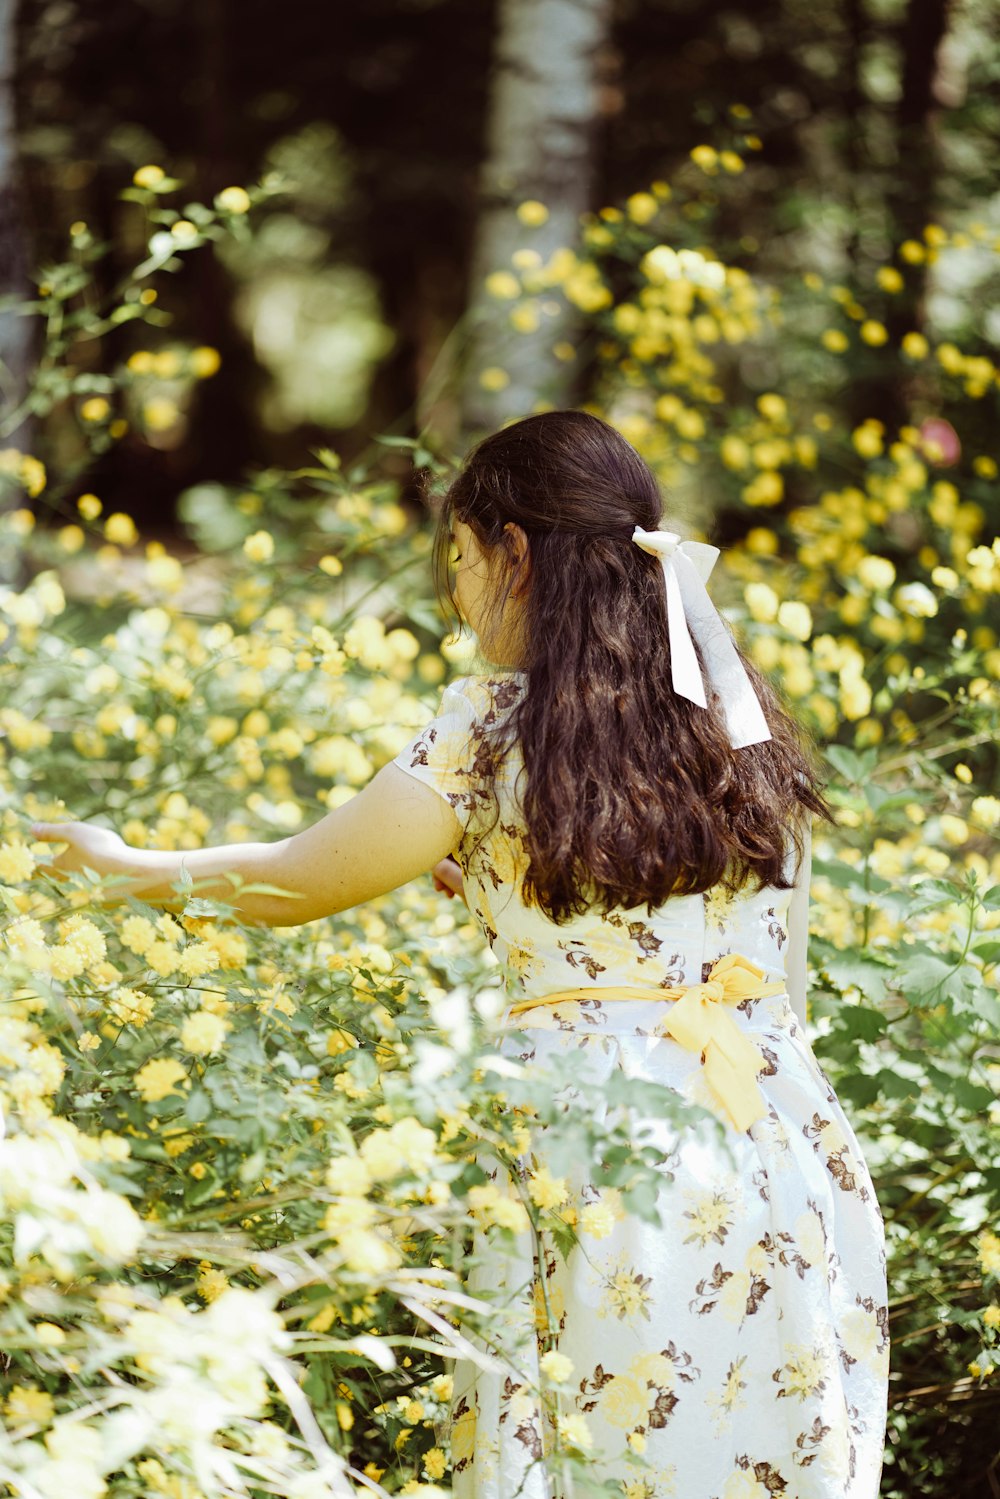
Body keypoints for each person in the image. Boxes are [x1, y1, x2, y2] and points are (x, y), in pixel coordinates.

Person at [31, 409, 890, 1498]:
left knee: (593, 1447)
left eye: (459, 553)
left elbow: (299, 877)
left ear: (514, 552)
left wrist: (124, 864)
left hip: (601, 1144)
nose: (454, 588)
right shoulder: (734, 719)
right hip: (777, 1140)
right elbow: (759, 937)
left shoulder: (492, 724)